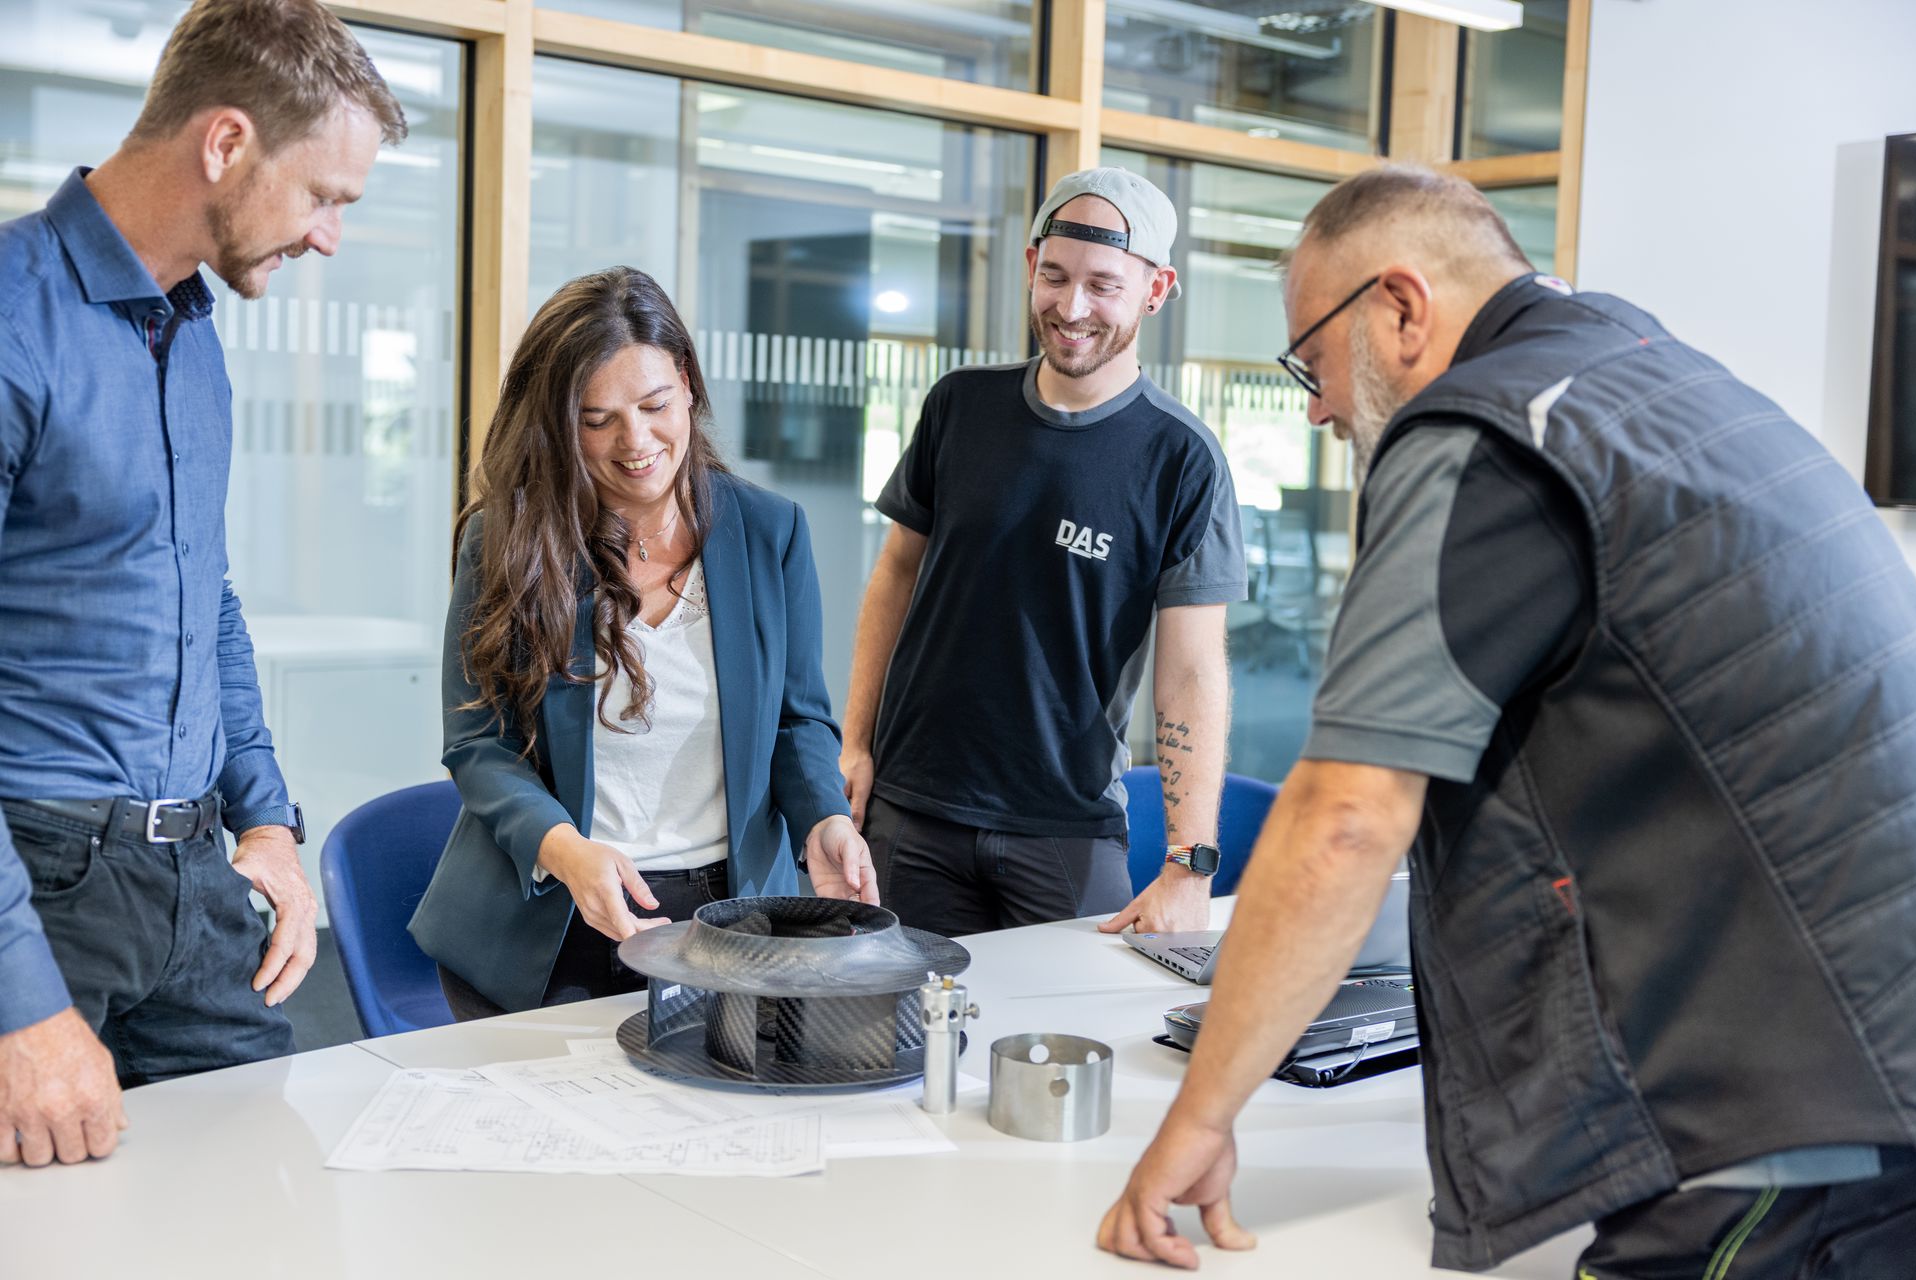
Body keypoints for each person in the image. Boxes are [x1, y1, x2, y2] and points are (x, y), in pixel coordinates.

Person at [1098, 164, 1916, 1277]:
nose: (1317, 405)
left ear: (1400, 306)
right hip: (1873, 1059)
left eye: (1312, 359)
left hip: (1773, 1099)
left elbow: (1347, 812)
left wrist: (1198, 1117)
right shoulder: (1659, 380)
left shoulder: (1486, 430)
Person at [0, 0, 407, 1168]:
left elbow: (204, 600)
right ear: (226, 144)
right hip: (39, 884)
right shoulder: (15, 318)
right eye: (324, 195)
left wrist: (268, 815)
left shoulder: (191, 334)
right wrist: (20, 1001)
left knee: (269, 1198)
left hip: (188, 878)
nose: (330, 235)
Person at [410, 267, 875, 1019]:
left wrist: (825, 816)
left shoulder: (770, 531)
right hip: (552, 914)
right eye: (596, 420)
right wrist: (564, 849)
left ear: (687, 382)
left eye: (655, 405)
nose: (636, 442)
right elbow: (477, 744)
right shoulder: (508, 539)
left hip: (728, 917)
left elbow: (798, 720)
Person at [841, 166, 1246, 939]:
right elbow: (896, 574)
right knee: (894, 1048)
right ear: (1031, 267)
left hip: (1066, 824)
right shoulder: (960, 406)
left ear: (1155, 291)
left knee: (1067, 1051)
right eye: (1055, 277)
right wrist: (853, 745)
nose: (1072, 308)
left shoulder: (1181, 458)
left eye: (1103, 285)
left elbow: (1192, 672)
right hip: (912, 810)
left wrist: (1188, 866)